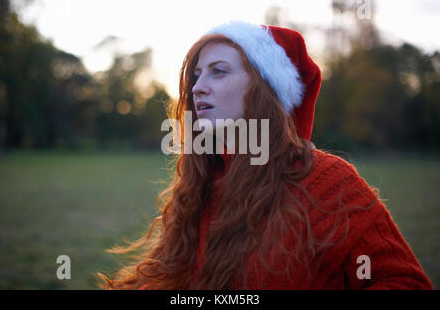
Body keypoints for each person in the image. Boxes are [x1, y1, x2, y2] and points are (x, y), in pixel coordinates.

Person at [98, 21, 433, 290]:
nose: (198, 87)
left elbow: (404, 281)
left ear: (264, 89)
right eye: (197, 75)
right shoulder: (202, 182)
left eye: (219, 71)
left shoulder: (329, 181)